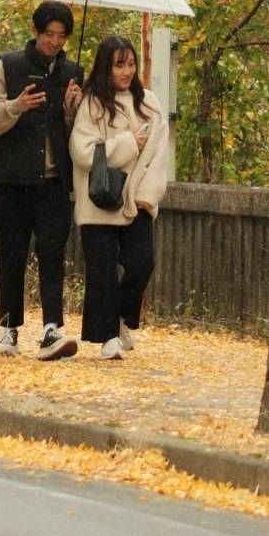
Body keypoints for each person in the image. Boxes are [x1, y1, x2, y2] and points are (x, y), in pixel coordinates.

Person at [0, 0, 83, 357]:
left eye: (61, 36)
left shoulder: (72, 72)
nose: (55, 42)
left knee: (53, 252)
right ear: (35, 32)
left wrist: (72, 110)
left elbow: (78, 132)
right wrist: (16, 106)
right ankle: (9, 327)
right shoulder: (10, 65)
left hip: (55, 180)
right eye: (49, 34)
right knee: (13, 253)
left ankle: (52, 328)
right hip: (13, 178)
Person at [69, 31, 169, 357]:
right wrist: (127, 144)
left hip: (135, 198)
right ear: (105, 68)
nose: (126, 71)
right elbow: (82, 151)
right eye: (118, 65)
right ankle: (107, 336)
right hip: (100, 196)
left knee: (142, 263)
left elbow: (157, 155)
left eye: (130, 64)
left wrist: (147, 195)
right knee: (102, 268)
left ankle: (124, 317)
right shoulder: (92, 104)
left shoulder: (149, 104)